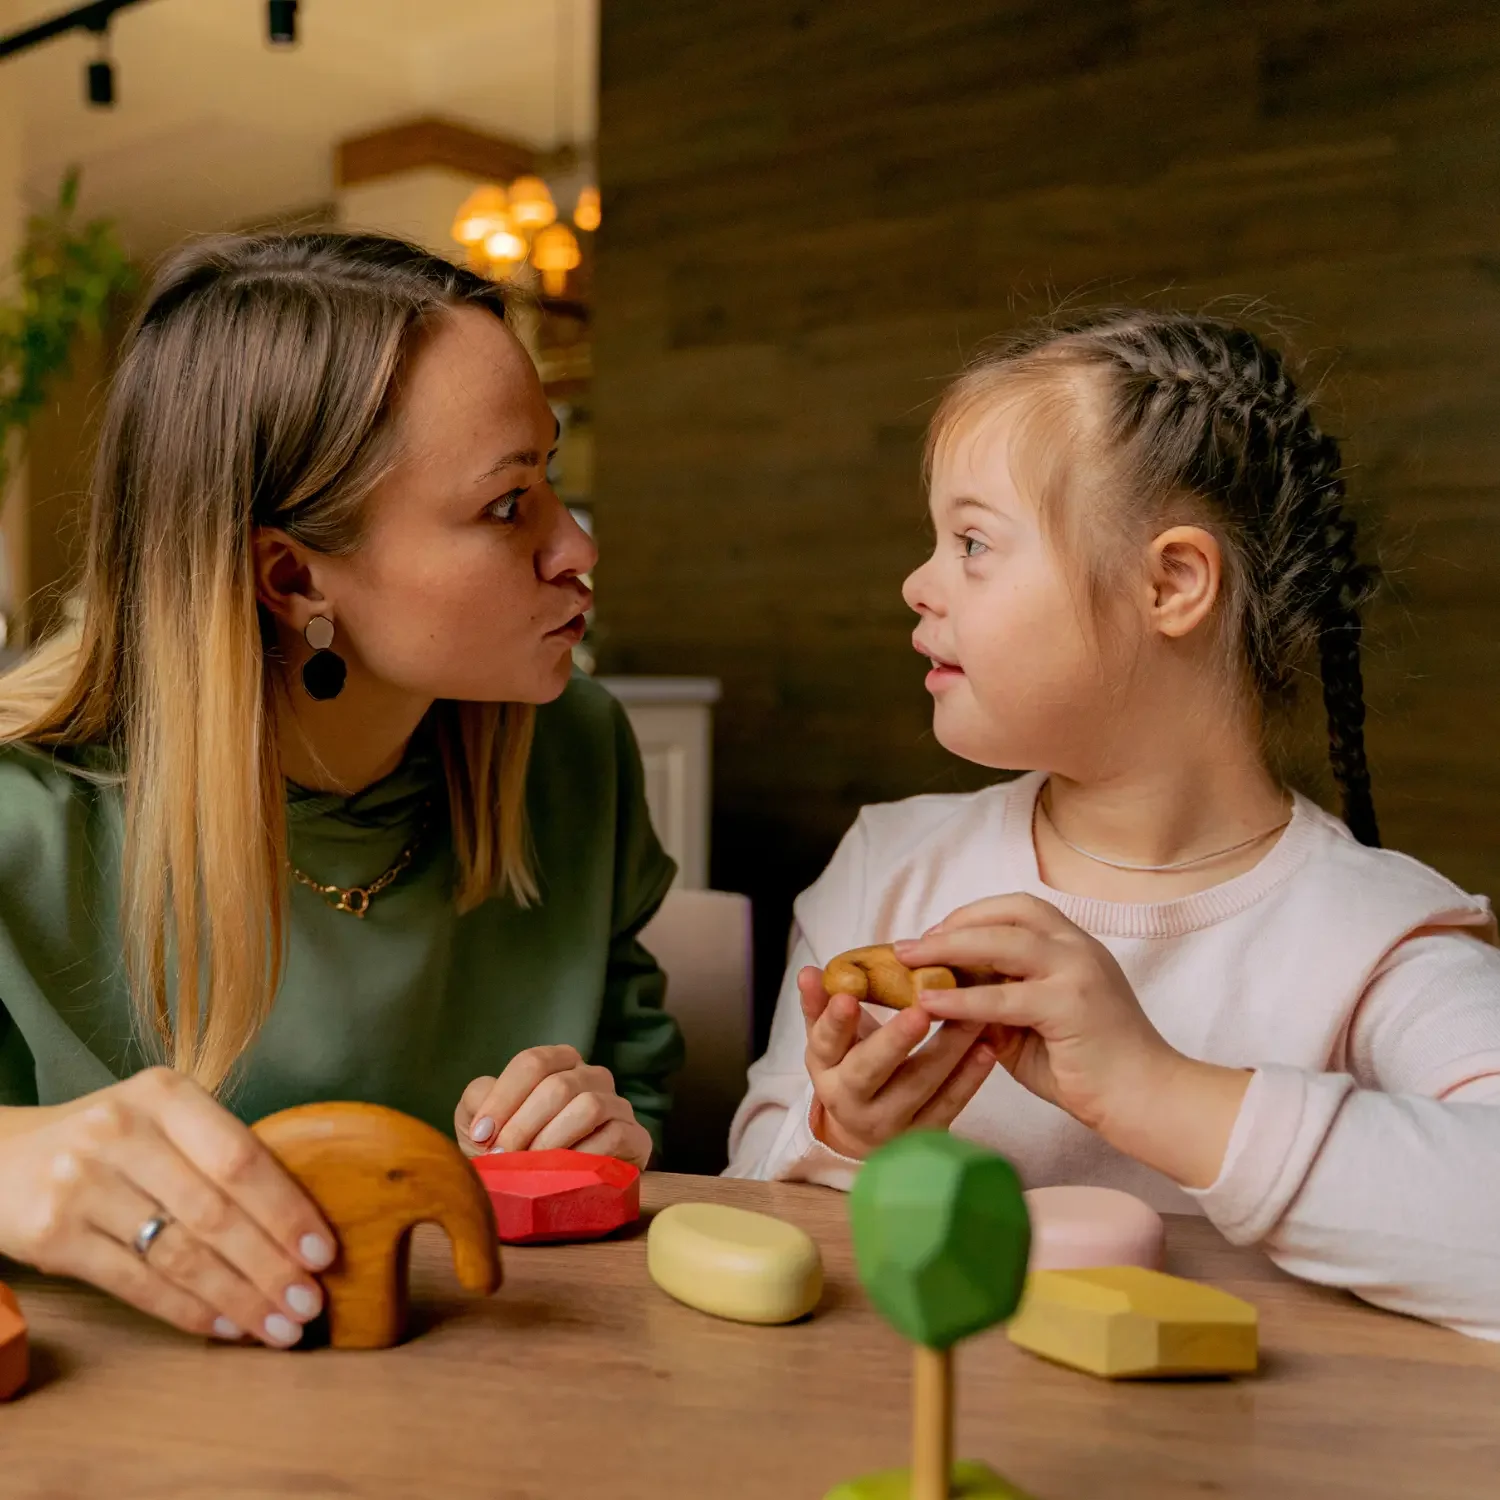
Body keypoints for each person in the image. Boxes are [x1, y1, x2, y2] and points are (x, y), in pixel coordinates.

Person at [726, 310, 1500, 1339]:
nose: (918, 585)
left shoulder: (1378, 940)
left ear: (1169, 583)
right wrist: (845, 1135)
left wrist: (1155, 1088)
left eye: (971, 543)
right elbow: (747, 1200)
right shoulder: (889, 871)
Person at [0, 233, 682, 1350]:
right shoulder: (19, 821)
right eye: (508, 506)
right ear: (294, 577)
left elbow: (643, 1103)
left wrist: (599, 1136)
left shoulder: (578, 753)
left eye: (549, 473)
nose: (578, 548)